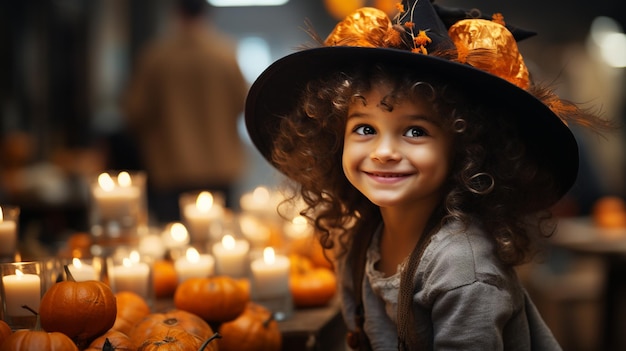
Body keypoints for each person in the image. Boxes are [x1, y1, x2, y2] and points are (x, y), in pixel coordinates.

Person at [245, 1, 613, 350]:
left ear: (466, 149)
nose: (384, 151)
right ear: (333, 138)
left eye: (415, 131)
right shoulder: (356, 241)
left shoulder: (463, 272)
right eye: (364, 129)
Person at [123, 0, 248, 223]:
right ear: (207, 13)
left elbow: (135, 111)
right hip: (220, 166)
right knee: (220, 243)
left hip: (171, 169)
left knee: (172, 247)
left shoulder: (157, 57)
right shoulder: (225, 55)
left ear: (176, 13)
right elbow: (245, 104)